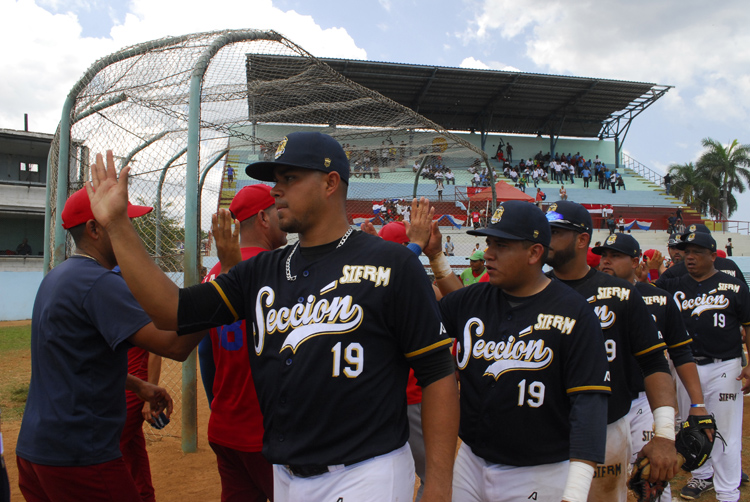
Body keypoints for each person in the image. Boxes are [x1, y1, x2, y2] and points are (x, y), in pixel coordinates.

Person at [85, 133, 460, 502]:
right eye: (275, 180)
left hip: (365, 472)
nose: (276, 190)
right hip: (286, 473)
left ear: (330, 183)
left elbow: (438, 371)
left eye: (290, 179)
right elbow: (171, 311)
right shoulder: (261, 270)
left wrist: (439, 486)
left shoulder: (392, 263)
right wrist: (118, 224)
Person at [15, 187, 205, 501]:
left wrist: (137, 386)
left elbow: (75, 362)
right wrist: (221, 292)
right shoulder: (99, 281)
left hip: (36, 450)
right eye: (120, 223)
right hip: (79, 455)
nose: (131, 232)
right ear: (94, 229)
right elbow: (174, 346)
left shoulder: (58, 276)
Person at [427, 201, 611, 502]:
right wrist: (420, 254)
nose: (488, 253)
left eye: (501, 244)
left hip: (540, 470)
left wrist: (575, 493)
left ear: (534, 253)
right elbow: (415, 323)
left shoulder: (574, 312)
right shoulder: (471, 300)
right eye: (489, 243)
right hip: (471, 462)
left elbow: (589, 403)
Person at [543, 201, 681, 502]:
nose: (545, 237)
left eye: (555, 231)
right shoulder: (532, 289)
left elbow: (654, 361)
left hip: (606, 425)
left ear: (581, 240)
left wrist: (666, 433)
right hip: (542, 427)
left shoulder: (621, 294)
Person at [593, 233, 707, 502]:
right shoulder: (586, 295)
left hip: (644, 399)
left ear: (635, 261)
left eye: (615, 255)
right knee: (604, 481)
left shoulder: (659, 299)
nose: (606, 261)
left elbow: (681, 352)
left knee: (653, 477)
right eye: (603, 255)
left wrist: (697, 404)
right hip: (600, 400)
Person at [198, 184, 287, 502]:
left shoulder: (213, 274)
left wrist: (218, 406)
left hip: (227, 427)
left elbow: (205, 353)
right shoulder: (279, 270)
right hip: (266, 432)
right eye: (278, 209)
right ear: (263, 217)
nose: (283, 214)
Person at [653, 232, 750, 502]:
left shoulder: (733, 286)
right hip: (684, 367)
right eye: (686, 252)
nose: (689, 257)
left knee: (726, 433)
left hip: (725, 366)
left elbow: (748, 324)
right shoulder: (672, 284)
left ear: (712, 254)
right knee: (690, 428)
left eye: (696, 252)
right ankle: (702, 475)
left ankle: (728, 493)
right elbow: (643, 294)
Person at [121, 347, 167, 502]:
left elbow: (155, 352)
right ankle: (145, 497)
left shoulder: (145, 321)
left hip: (136, 388)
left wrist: (149, 398)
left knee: (109, 448)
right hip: (123, 385)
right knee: (132, 450)